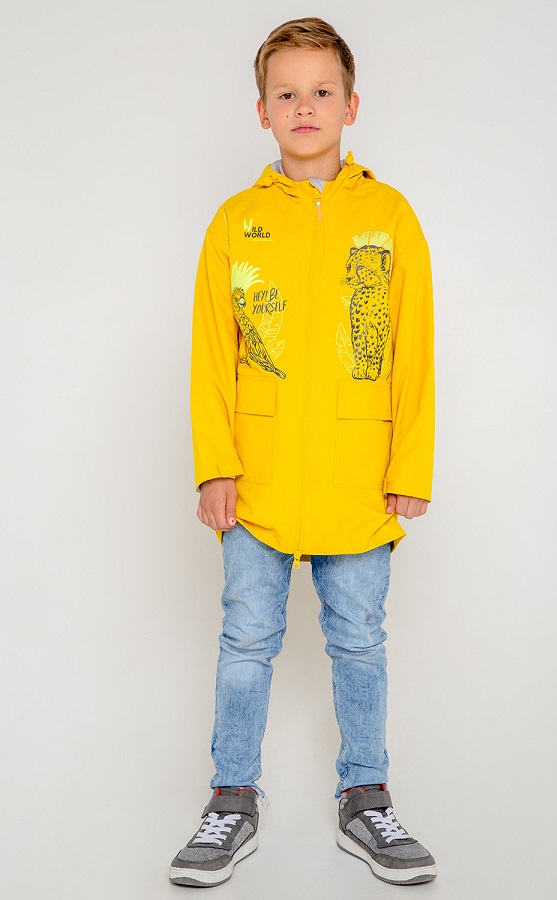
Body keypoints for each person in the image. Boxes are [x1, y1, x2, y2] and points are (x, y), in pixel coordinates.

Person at [170, 16, 436, 888]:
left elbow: (413, 350)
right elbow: (213, 355)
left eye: (322, 91)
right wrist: (216, 464)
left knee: (359, 640)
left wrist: (409, 468)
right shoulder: (236, 222)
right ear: (262, 111)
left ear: (352, 104)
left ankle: (366, 795)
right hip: (259, 480)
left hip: (359, 481)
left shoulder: (390, 217)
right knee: (247, 637)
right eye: (286, 93)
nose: (305, 106)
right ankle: (231, 798)